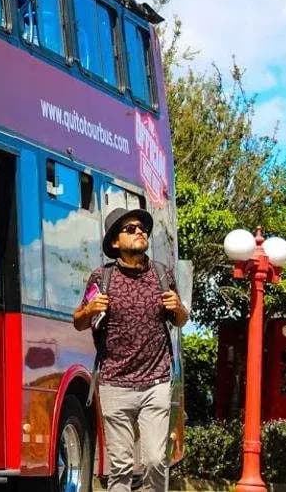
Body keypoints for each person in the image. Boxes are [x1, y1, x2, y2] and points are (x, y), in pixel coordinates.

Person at [73, 207, 188, 492]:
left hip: (156, 382)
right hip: (114, 383)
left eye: (142, 228)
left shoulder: (163, 275)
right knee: (121, 466)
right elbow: (78, 321)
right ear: (115, 243)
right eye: (131, 229)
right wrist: (90, 309)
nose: (140, 231)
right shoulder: (102, 279)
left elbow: (179, 319)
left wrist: (179, 308)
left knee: (153, 460)